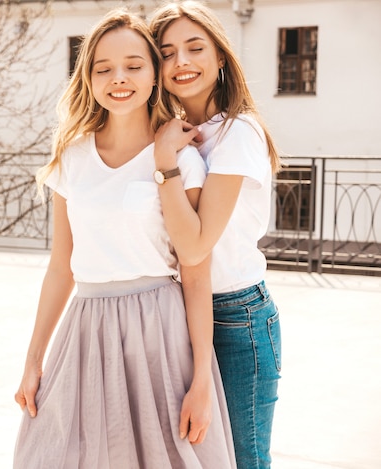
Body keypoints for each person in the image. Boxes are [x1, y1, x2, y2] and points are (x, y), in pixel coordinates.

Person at [13, 8, 236, 469]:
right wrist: (33, 360)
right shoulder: (70, 158)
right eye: (104, 68)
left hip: (159, 331)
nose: (120, 78)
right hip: (86, 330)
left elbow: (195, 273)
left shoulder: (180, 159)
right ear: (88, 78)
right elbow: (61, 267)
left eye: (134, 65)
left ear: (155, 74)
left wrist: (200, 381)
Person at [149, 2, 282, 468]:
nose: (181, 62)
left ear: (221, 57)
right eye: (166, 53)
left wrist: (166, 164)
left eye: (194, 48)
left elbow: (197, 244)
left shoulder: (238, 132)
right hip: (174, 310)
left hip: (235, 316)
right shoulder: (172, 133)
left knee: (244, 459)